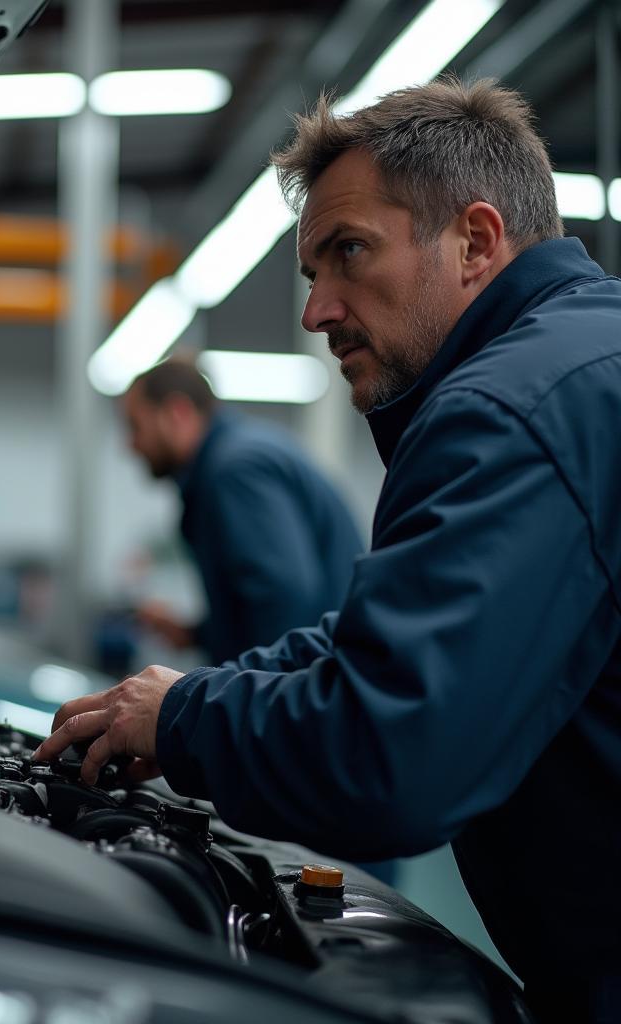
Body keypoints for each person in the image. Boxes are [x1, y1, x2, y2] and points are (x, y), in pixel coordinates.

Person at [36, 77, 621, 1023]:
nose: (318, 311)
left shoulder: (510, 410)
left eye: (350, 253)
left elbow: (392, 753)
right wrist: (182, 700)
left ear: (475, 242)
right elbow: (381, 628)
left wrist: (191, 719)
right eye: (313, 273)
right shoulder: (581, 362)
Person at [123, 357, 363, 665]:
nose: (131, 445)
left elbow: (286, 603)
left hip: (310, 691)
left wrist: (245, 702)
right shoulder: (236, 457)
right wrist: (196, 634)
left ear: (177, 413)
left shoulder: (236, 470)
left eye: (135, 426)